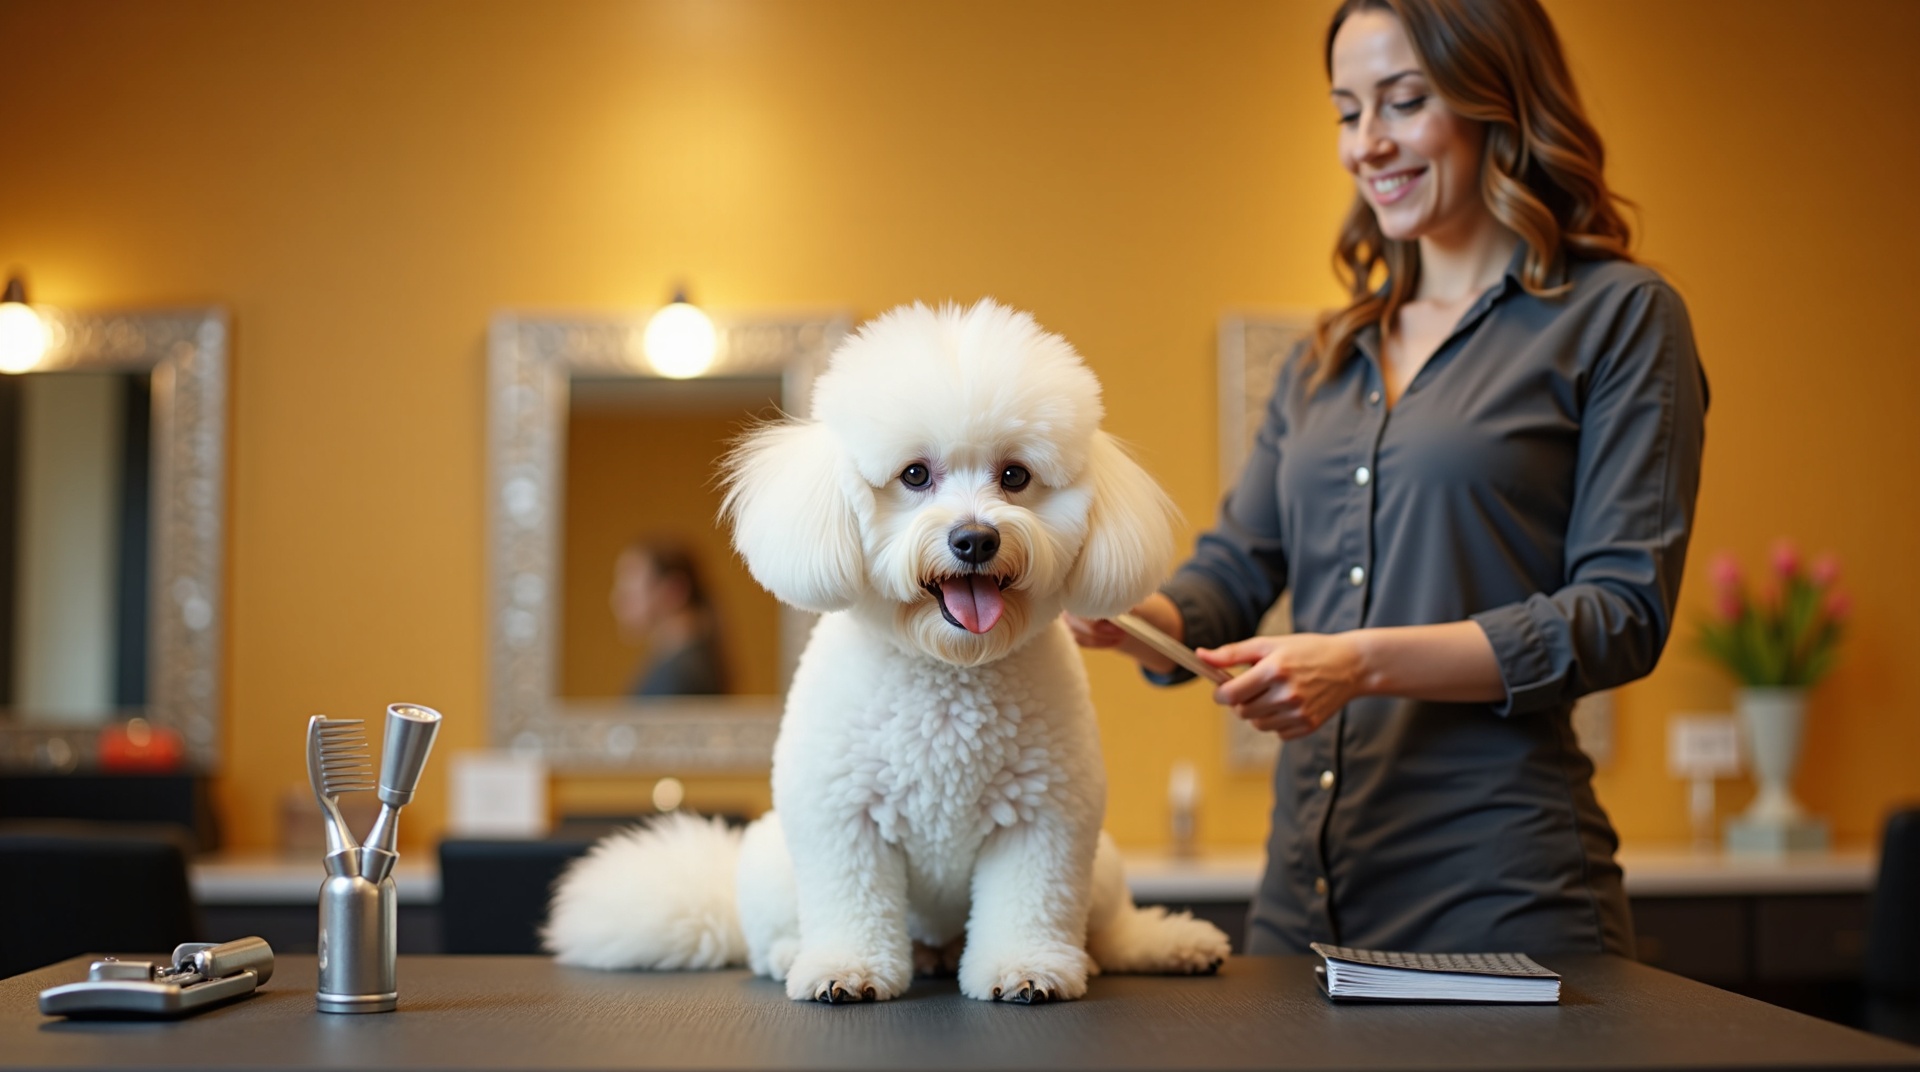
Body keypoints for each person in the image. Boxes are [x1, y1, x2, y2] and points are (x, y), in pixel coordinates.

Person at [1070, 0, 1707, 957]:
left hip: (1502, 895)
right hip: (1300, 901)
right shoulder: (1324, 359)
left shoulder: (1619, 318)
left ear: (1501, 101)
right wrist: (1129, 620)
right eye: (1345, 111)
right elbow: (1235, 574)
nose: (1367, 144)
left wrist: (1359, 662)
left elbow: (1621, 614)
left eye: (1403, 102)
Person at [609, 536, 728, 697]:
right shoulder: (685, 664)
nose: (616, 600)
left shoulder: (679, 675)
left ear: (674, 591)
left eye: (630, 592)